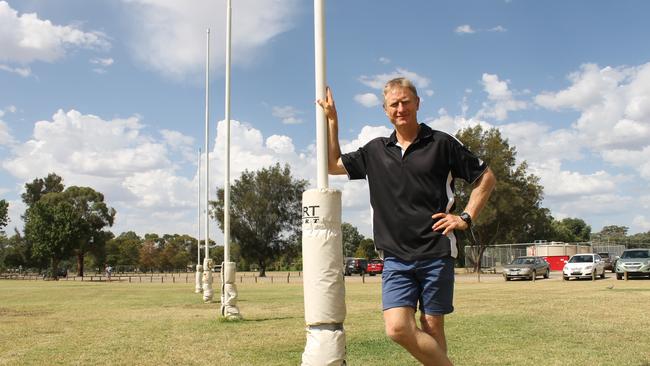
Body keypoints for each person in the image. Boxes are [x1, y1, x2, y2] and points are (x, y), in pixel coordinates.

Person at [317, 78, 496, 365]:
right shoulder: (375, 150)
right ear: (385, 110)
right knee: (398, 328)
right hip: (395, 256)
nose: (400, 108)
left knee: (432, 325)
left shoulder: (442, 143)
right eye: (393, 104)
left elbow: (485, 177)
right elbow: (332, 165)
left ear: (417, 103)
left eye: (405, 102)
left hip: (435, 250)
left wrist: (465, 217)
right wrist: (333, 121)